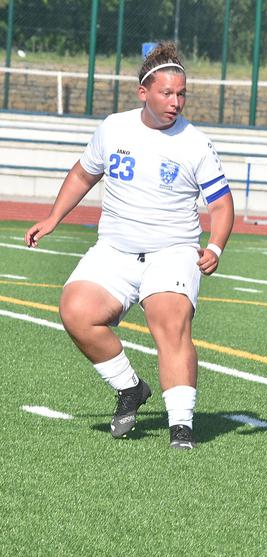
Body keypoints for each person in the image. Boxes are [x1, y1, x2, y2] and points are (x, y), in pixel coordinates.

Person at [23, 43, 234, 450]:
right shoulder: (114, 128)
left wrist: (216, 246)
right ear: (143, 92)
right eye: (167, 93)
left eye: (182, 94)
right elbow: (84, 174)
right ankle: (130, 388)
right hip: (115, 251)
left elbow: (222, 204)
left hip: (172, 250)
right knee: (76, 311)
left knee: (169, 323)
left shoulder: (196, 143)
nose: (176, 102)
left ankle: (181, 428)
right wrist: (53, 218)